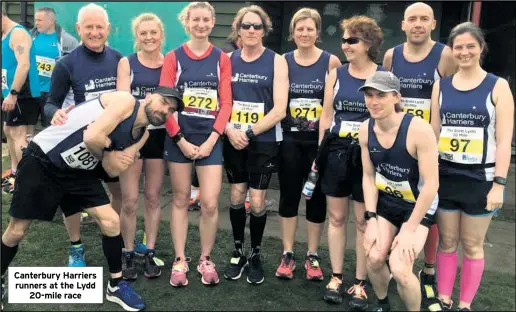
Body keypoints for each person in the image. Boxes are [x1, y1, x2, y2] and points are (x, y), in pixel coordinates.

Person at [1, 88, 183, 311]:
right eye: (163, 102)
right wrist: (108, 150)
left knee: (111, 222)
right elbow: (92, 137)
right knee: (17, 230)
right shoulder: (126, 102)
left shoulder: (143, 134)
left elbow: (111, 168)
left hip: (78, 170)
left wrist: (108, 152)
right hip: (44, 160)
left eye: (171, 110)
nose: (165, 110)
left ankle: (116, 284)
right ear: (148, 96)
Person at [431, 22, 514, 312]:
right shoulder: (441, 86)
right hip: (446, 177)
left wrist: (499, 185)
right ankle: (443, 299)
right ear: (451, 51)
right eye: (458, 47)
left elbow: (504, 141)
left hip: (481, 179)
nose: (464, 52)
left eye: (470, 46)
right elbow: (434, 133)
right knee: (447, 242)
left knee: (472, 244)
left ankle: (465, 304)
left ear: (481, 48)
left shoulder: (498, 86)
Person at [382, 3, 456, 301]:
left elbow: (452, 97)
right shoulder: (392, 56)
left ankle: (428, 270)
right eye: (412, 19)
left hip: (428, 146)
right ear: (403, 25)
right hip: (397, 145)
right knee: (397, 200)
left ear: (433, 23)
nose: (417, 24)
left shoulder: (445, 55)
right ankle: (395, 258)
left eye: (424, 19)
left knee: (429, 209)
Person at [44, 3, 123, 267]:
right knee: (73, 200)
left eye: (99, 26)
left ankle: (115, 238)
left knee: (118, 193)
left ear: (108, 29)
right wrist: (54, 114)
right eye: (88, 27)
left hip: (109, 143)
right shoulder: (66, 64)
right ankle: (76, 246)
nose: (94, 32)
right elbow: (50, 103)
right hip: (78, 145)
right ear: (78, 29)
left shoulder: (118, 59)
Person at [160, 1, 232, 287]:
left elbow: (226, 102)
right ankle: (180, 260)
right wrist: (180, 139)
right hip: (180, 137)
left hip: (211, 138)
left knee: (210, 203)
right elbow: (164, 102)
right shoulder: (173, 57)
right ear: (186, 23)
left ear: (213, 23)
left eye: (206, 20)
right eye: (195, 20)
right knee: (179, 199)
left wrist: (214, 137)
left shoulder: (221, 58)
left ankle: (205, 258)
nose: (201, 24)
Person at [317, 15, 384, 308]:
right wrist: (320, 154)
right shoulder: (336, 74)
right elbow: (327, 117)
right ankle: (336, 276)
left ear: (368, 43)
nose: (345, 45)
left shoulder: (383, 76)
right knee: (336, 218)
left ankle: (359, 282)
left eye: (352, 40)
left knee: (361, 221)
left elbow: (390, 119)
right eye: (343, 39)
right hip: (336, 153)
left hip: (369, 157)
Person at [359, 71, 439, 312]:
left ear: (396, 97)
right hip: (388, 202)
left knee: (401, 268)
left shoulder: (419, 130)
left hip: (418, 206)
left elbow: (431, 185)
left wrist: (410, 227)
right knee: (373, 257)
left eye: (380, 95)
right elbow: (369, 175)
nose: (373, 101)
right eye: (369, 95)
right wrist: (371, 219)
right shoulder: (365, 129)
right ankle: (383, 304)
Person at [222, 5, 288, 285]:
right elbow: (218, 103)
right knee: (236, 196)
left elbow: (279, 109)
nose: (251, 31)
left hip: (262, 140)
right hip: (232, 139)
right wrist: (228, 129)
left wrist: (247, 132)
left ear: (264, 30)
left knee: (258, 200)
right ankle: (237, 250)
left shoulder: (276, 61)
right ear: (238, 29)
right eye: (246, 26)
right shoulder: (226, 59)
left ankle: (256, 253)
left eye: (257, 26)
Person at [275, 7, 341, 281]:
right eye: (299, 29)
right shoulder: (283, 61)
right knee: (289, 195)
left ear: (317, 32)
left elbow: (333, 106)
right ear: (292, 33)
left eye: (310, 28)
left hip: (318, 142)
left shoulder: (331, 62)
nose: (304, 33)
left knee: (316, 198)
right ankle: (288, 253)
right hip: (289, 140)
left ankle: (312, 254)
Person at [116, 12, 166, 280]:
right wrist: (148, 105)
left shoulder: (169, 62)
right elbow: (124, 102)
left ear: (161, 35)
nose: (148, 37)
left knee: (153, 197)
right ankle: (127, 251)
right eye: (143, 33)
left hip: (159, 137)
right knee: (130, 199)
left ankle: (148, 250)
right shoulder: (128, 62)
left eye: (153, 33)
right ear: (137, 37)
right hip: (133, 135)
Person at [1, 10, 41, 194]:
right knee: (9, 131)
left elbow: (24, 65)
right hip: (10, 94)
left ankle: (27, 181)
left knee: (20, 135)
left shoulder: (18, 33)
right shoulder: (5, 34)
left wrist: (13, 93)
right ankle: (16, 173)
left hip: (22, 94)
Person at [30, 6, 79, 128]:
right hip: (31, 91)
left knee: (50, 128)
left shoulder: (68, 41)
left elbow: (76, 67)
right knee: (27, 127)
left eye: (39, 20)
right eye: (36, 20)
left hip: (52, 93)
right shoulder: (29, 36)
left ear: (50, 21)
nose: (36, 23)